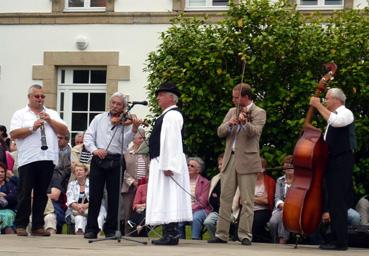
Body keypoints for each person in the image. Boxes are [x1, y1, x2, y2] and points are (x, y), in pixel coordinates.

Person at [208, 83, 266, 245]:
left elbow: (255, 132)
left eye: (236, 97)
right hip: (230, 158)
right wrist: (230, 123)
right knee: (225, 198)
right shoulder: (232, 111)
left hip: (248, 159)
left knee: (247, 200)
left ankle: (245, 234)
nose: (233, 100)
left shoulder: (259, 112)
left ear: (246, 97)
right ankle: (221, 234)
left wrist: (244, 123)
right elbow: (220, 132)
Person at [10, 84, 68, 236]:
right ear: (29, 97)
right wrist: (31, 128)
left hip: (47, 158)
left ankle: (37, 226)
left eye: (42, 96)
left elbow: (64, 131)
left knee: (42, 194)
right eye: (37, 96)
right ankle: (21, 224)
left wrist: (50, 121)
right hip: (29, 158)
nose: (40, 99)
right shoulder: (20, 114)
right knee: (25, 192)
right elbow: (14, 134)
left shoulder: (52, 113)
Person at [83, 92, 141, 239]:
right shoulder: (99, 118)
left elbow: (126, 141)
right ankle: (91, 228)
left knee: (114, 197)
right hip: (98, 159)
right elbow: (88, 137)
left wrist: (134, 129)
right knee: (95, 195)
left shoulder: (126, 121)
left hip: (116, 160)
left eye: (119, 104)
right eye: (113, 103)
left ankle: (111, 229)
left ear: (124, 107)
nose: (115, 106)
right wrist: (96, 150)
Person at [146, 81, 192, 245]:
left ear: (171, 98)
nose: (158, 97)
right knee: (165, 196)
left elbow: (172, 141)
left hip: (167, 162)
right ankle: (169, 232)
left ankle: (171, 234)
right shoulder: (167, 114)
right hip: (162, 161)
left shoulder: (172, 115)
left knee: (169, 196)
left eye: (161, 95)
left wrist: (168, 165)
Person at [310, 87, 355, 250]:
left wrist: (317, 105)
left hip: (341, 161)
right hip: (332, 161)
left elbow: (337, 122)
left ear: (336, 99)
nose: (325, 101)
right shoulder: (334, 115)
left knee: (338, 202)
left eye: (327, 98)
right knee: (333, 200)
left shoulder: (346, 112)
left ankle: (341, 242)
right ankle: (334, 237)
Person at [121, 128, 149, 234]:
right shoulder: (126, 153)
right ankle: (128, 233)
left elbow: (150, 169)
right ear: (133, 139)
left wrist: (146, 183)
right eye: (140, 138)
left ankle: (142, 233)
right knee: (128, 212)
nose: (142, 140)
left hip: (145, 187)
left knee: (142, 211)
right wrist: (133, 182)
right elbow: (123, 171)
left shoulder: (148, 154)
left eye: (144, 138)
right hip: (130, 187)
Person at [66, 163, 106, 235]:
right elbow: (69, 199)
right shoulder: (71, 184)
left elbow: (96, 198)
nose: (78, 172)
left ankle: (95, 236)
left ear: (86, 172)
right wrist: (78, 207)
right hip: (77, 210)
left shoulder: (93, 183)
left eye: (80, 170)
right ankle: (80, 240)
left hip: (93, 208)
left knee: (98, 218)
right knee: (79, 218)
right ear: (74, 173)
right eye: (76, 171)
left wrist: (84, 206)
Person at [178, 157, 210, 240]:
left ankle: (195, 239)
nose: (188, 167)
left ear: (198, 170)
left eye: (192, 166)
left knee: (196, 218)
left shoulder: (205, 183)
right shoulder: (182, 181)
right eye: (188, 165)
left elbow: (203, 202)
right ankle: (180, 240)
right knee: (178, 218)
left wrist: (190, 209)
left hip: (201, 209)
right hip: (184, 208)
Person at [268, 155, 294, 244]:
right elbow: (277, 197)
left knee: (284, 218)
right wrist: (282, 205)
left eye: (291, 165)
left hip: (295, 209)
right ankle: (275, 241)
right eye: (287, 166)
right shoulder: (280, 180)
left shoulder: (300, 180)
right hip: (280, 207)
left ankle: (282, 241)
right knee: (273, 222)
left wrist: (288, 207)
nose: (289, 168)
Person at [252, 158, 275, 242]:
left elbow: (267, 200)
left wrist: (252, 198)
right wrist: (259, 198)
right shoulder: (249, 181)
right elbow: (242, 199)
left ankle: (256, 241)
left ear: (263, 168)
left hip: (263, 209)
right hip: (248, 208)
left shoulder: (270, 181)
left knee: (257, 220)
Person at [0, 161, 17, 234]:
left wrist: (3, 197)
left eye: (2, 172)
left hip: (9, 210)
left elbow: (14, 199)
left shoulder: (10, 185)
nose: (0, 174)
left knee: (6, 215)